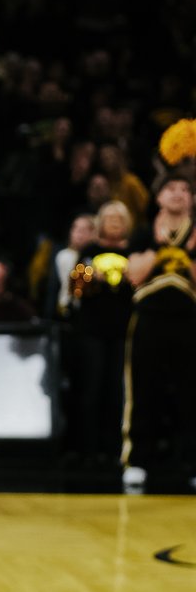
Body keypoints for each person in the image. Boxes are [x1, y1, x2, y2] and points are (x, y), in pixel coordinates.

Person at [121, 173, 196, 491]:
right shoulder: (142, 231)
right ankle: (137, 460)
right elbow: (133, 275)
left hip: (189, 318)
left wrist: (187, 256)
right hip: (149, 317)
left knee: (192, 393)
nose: (178, 194)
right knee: (142, 389)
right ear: (159, 197)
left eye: (185, 190)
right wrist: (159, 247)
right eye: (171, 189)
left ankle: (192, 462)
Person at [66, 198, 135, 469]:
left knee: (116, 390)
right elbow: (74, 289)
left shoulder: (135, 251)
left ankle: (114, 449)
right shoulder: (89, 249)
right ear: (101, 222)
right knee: (90, 388)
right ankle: (87, 449)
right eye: (110, 219)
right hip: (91, 329)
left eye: (120, 219)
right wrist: (89, 278)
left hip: (123, 329)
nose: (115, 224)